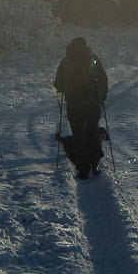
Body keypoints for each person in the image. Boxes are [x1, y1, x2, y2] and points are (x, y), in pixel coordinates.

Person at [54, 36, 109, 179]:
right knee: (92, 131)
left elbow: (57, 83)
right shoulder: (92, 58)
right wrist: (102, 96)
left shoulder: (66, 62)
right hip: (92, 103)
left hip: (74, 103)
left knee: (78, 134)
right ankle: (94, 164)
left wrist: (63, 88)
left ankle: (82, 167)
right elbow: (103, 78)